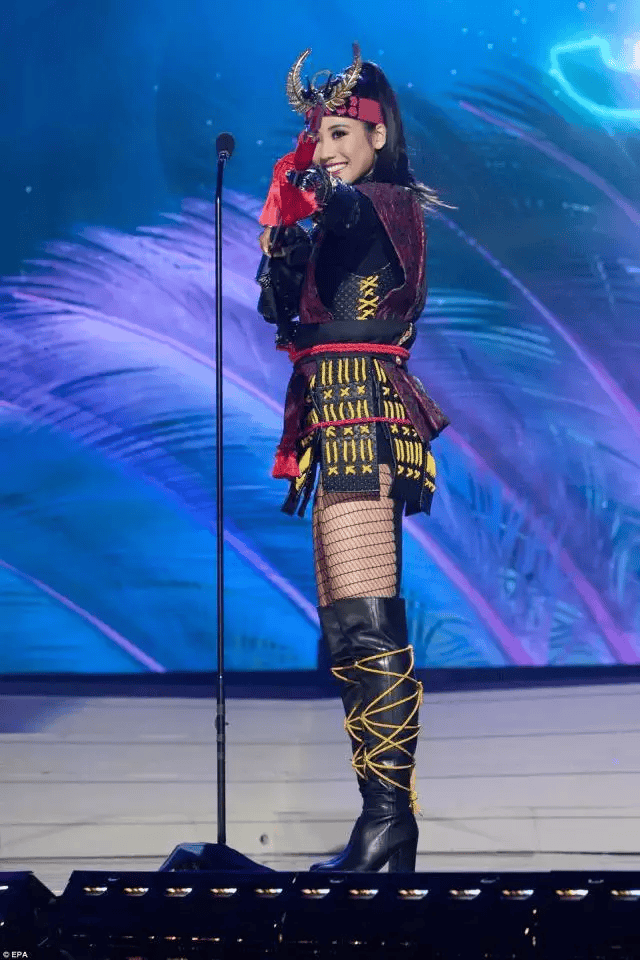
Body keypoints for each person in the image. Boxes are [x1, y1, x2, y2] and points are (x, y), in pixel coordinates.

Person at [258, 44, 450, 873]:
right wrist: (281, 246)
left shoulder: (384, 204)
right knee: (348, 622)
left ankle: (389, 826)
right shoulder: (341, 216)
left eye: (341, 133)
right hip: (332, 413)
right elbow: (283, 308)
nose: (328, 148)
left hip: (364, 413)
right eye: (319, 135)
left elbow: (341, 209)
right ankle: (381, 824)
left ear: (378, 136)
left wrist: (310, 189)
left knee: (368, 617)